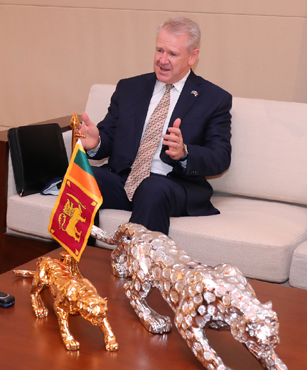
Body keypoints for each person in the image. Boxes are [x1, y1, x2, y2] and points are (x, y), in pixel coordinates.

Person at [77, 17, 232, 235]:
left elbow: (220, 157)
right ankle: (73, 262)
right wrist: (96, 142)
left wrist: (185, 153)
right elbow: (109, 137)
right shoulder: (129, 88)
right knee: (83, 176)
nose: (162, 59)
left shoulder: (214, 98)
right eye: (160, 50)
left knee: (151, 188)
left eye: (172, 54)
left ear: (192, 57)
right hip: (125, 180)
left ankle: (138, 268)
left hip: (172, 186)